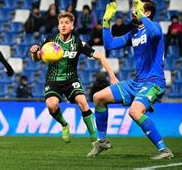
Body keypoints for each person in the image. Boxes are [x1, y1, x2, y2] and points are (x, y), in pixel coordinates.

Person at [88, 0, 173, 160]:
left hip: (153, 82)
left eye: (138, 8)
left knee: (134, 112)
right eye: (134, 7)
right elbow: (109, 45)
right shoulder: (134, 33)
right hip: (137, 82)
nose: (133, 10)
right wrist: (106, 22)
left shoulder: (155, 27)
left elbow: (154, 34)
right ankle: (102, 141)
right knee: (98, 98)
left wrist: (143, 16)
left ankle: (164, 150)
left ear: (147, 12)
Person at [29, 12, 118, 144]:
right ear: (58, 26)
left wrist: (112, 76)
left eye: (66, 23)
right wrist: (34, 53)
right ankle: (64, 124)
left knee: (83, 102)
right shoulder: (50, 40)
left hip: (71, 80)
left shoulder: (77, 43)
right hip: (53, 80)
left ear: (72, 25)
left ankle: (95, 140)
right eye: (61, 23)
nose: (63, 25)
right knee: (51, 106)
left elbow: (100, 57)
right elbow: (37, 59)